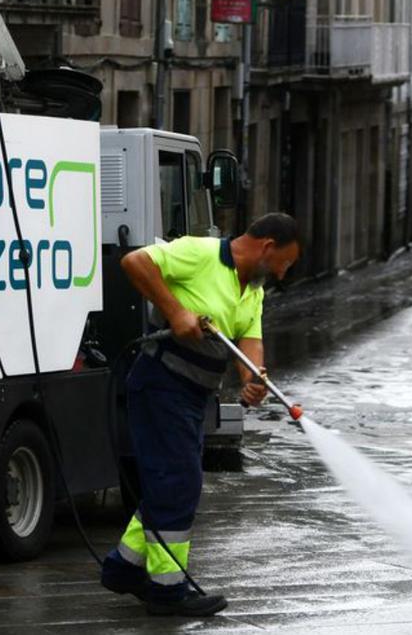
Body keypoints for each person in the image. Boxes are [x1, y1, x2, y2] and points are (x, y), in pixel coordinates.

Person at [100, 212, 301, 616]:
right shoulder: (201, 253)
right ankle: (167, 590)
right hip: (161, 385)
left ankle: (123, 568)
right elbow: (135, 262)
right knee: (178, 483)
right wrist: (175, 311)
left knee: (170, 484)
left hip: (193, 396)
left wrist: (254, 377)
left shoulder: (253, 290)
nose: (282, 273)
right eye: (284, 262)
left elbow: (250, 341)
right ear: (267, 248)